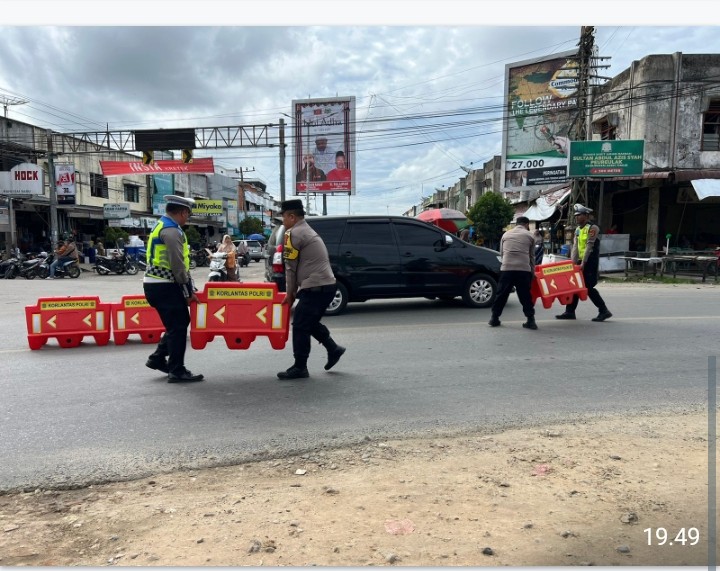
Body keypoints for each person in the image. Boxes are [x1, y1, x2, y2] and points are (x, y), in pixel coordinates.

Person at [277, 199, 345, 380]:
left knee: (300, 324)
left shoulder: (293, 234)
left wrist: (289, 295)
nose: (282, 221)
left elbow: (290, 268)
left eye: (283, 217)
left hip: (316, 287)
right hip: (325, 286)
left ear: (292, 216)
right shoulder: (306, 229)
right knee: (308, 321)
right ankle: (333, 348)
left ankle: (300, 367)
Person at [143, 195, 204, 383]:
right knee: (177, 327)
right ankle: (176, 370)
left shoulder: (163, 225)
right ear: (183, 212)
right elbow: (177, 265)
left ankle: (158, 358)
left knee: (178, 323)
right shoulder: (171, 231)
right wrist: (188, 292)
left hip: (158, 284)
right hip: (164, 285)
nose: (187, 219)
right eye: (188, 214)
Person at [556, 204, 613, 322]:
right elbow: (575, 247)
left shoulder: (593, 228)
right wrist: (572, 263)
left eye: (579, 215)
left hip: (590, 262)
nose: (576, 217)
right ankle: (570, 311)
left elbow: (589, 246)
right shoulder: (578, 229)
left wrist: (583, 263)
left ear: (586, 216)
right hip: (580, 262)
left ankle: (604, 310)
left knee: (588, 287)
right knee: (575, 286)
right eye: (576, 215)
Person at [488, 216, 538, 330]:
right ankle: (531, 320)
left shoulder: (506, 235)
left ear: (516, 224)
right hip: (523, 270)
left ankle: (494, 318)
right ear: (526, 224)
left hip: (507, 269)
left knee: (501, 294)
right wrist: (532, 272)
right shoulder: (530, 235)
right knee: (525, 296)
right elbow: (532, 257)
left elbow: (502, 253)